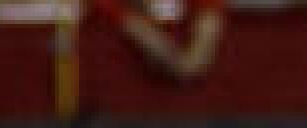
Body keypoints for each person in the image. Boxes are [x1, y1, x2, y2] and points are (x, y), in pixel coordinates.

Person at [95, 0, 226, 83]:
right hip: (118, 109)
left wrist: (188, 64)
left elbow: (209, 20)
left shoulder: (208, 11)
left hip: (209, 109)